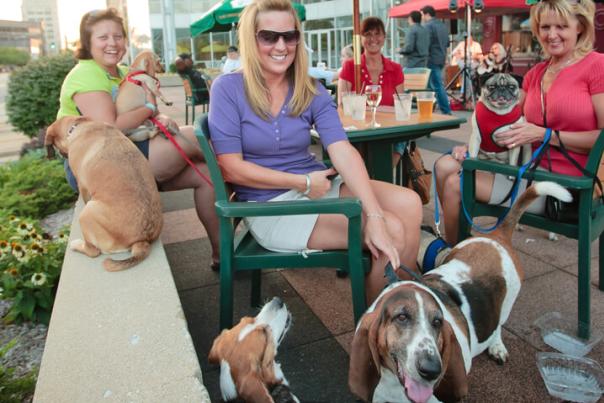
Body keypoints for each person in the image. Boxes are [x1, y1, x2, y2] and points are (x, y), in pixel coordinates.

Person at [208, 0, 422, 304]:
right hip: (271, 206)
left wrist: (372, 213)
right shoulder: (228, 88)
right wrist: (302, 183)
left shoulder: (310, 88)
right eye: (269, 36)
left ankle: (406, 308)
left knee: (411, 203)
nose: (281, 45)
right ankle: (379, 332)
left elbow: (342, 150)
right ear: (250, 39)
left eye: (290, 35)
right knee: (395, 231)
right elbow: (230, 168)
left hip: (317, 186)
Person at [57, 8, 220, 269]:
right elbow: (111, 127)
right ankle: (248, 182)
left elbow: (147, 104)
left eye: (118, 36)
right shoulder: (85, 74)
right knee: (199, 140)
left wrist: (160, 115)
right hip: (99, 168)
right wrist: (151, 110)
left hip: (129, 153)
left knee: (209, 177)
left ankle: (221, 255)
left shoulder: (122, 71)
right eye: (103, 37)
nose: (113, 43)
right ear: (87, 43)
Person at [434, 0, 604, 245]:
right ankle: (457, 250)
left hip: (567, 184)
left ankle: (454, 256)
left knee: (454, 184)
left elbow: (601, 138)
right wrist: (473, 148)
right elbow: (505, 122)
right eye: (545, 27)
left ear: (579, 27)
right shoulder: (536, 74)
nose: (552, 34)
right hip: (525, 170)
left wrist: (544, 134)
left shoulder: (596, 65)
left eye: (561, 26)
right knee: (444, 165)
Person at [337, 17, 407, 167]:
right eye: (367, 34)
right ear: (360, 38)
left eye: (377, 34)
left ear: (384, 38)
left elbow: (401, 105)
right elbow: (342, 105)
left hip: (390, 133)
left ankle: (383, 175)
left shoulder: (395, 68)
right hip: (358, 133)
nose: (373, 39)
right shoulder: (351, 66)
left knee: (397, 144)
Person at [421, 5, 452, 115]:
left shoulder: (427, 26)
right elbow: (447, 44)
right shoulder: (443, 25)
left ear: (427, 14)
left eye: (422, 15)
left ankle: (446, 110)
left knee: (436, 85)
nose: (422, 17)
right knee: (433, 85)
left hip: (431, 59)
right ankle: (430, 109)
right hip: (441, 58)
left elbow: (425, 44)